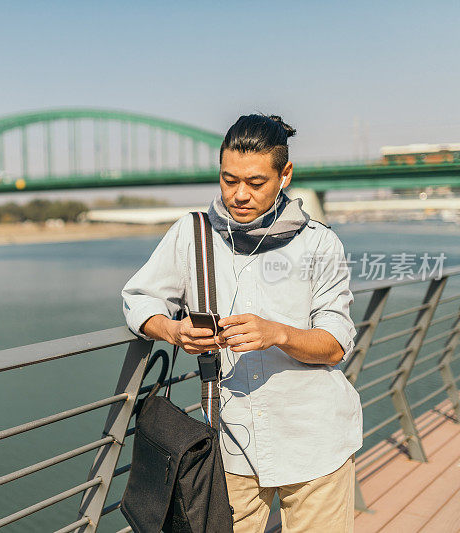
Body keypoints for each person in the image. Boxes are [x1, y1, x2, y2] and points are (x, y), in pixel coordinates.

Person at [121, 114, 362, 532]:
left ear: (285, 175)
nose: (240, 194)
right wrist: (174, 331)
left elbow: (336, 343)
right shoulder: (191, 235)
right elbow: (139, 300)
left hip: (315, 442)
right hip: (229, 444)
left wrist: (279, 334)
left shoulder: (320, 243)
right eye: (229, 180)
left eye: (255, 182)